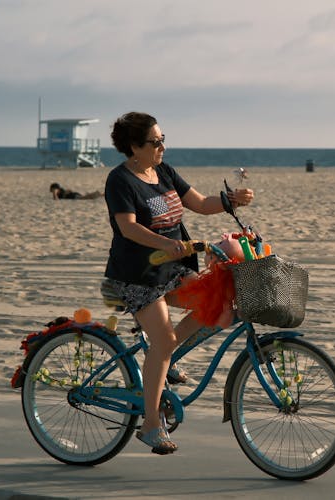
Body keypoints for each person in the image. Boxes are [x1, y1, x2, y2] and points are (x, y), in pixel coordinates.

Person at [104, 112, 254, 455]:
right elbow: (127, 227)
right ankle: (151, 425)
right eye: (154, 142)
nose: (161, 146)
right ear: (134, 147)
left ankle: (165, 361)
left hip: (172, 269)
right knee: (163, 341)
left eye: (162, 139)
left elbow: (200, 203)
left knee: (218, 302)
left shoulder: (164, 172)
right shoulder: (120, 181)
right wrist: (164, 243)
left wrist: (231, 201)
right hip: (137, 275)